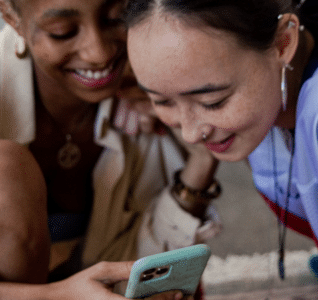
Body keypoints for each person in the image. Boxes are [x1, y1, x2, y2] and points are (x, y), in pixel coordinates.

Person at [125, 0, 318, 299]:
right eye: (161, 101)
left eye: (213, 102)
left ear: (283, 42)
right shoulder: (295, 32)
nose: (190, 134)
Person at [0, 0, 221, 298]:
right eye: (62, 31)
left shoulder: (154, 89)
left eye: (118, 17)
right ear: (10, 16)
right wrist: (54, 295)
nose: (99, 53)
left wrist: (201, 157)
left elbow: (149, 274)